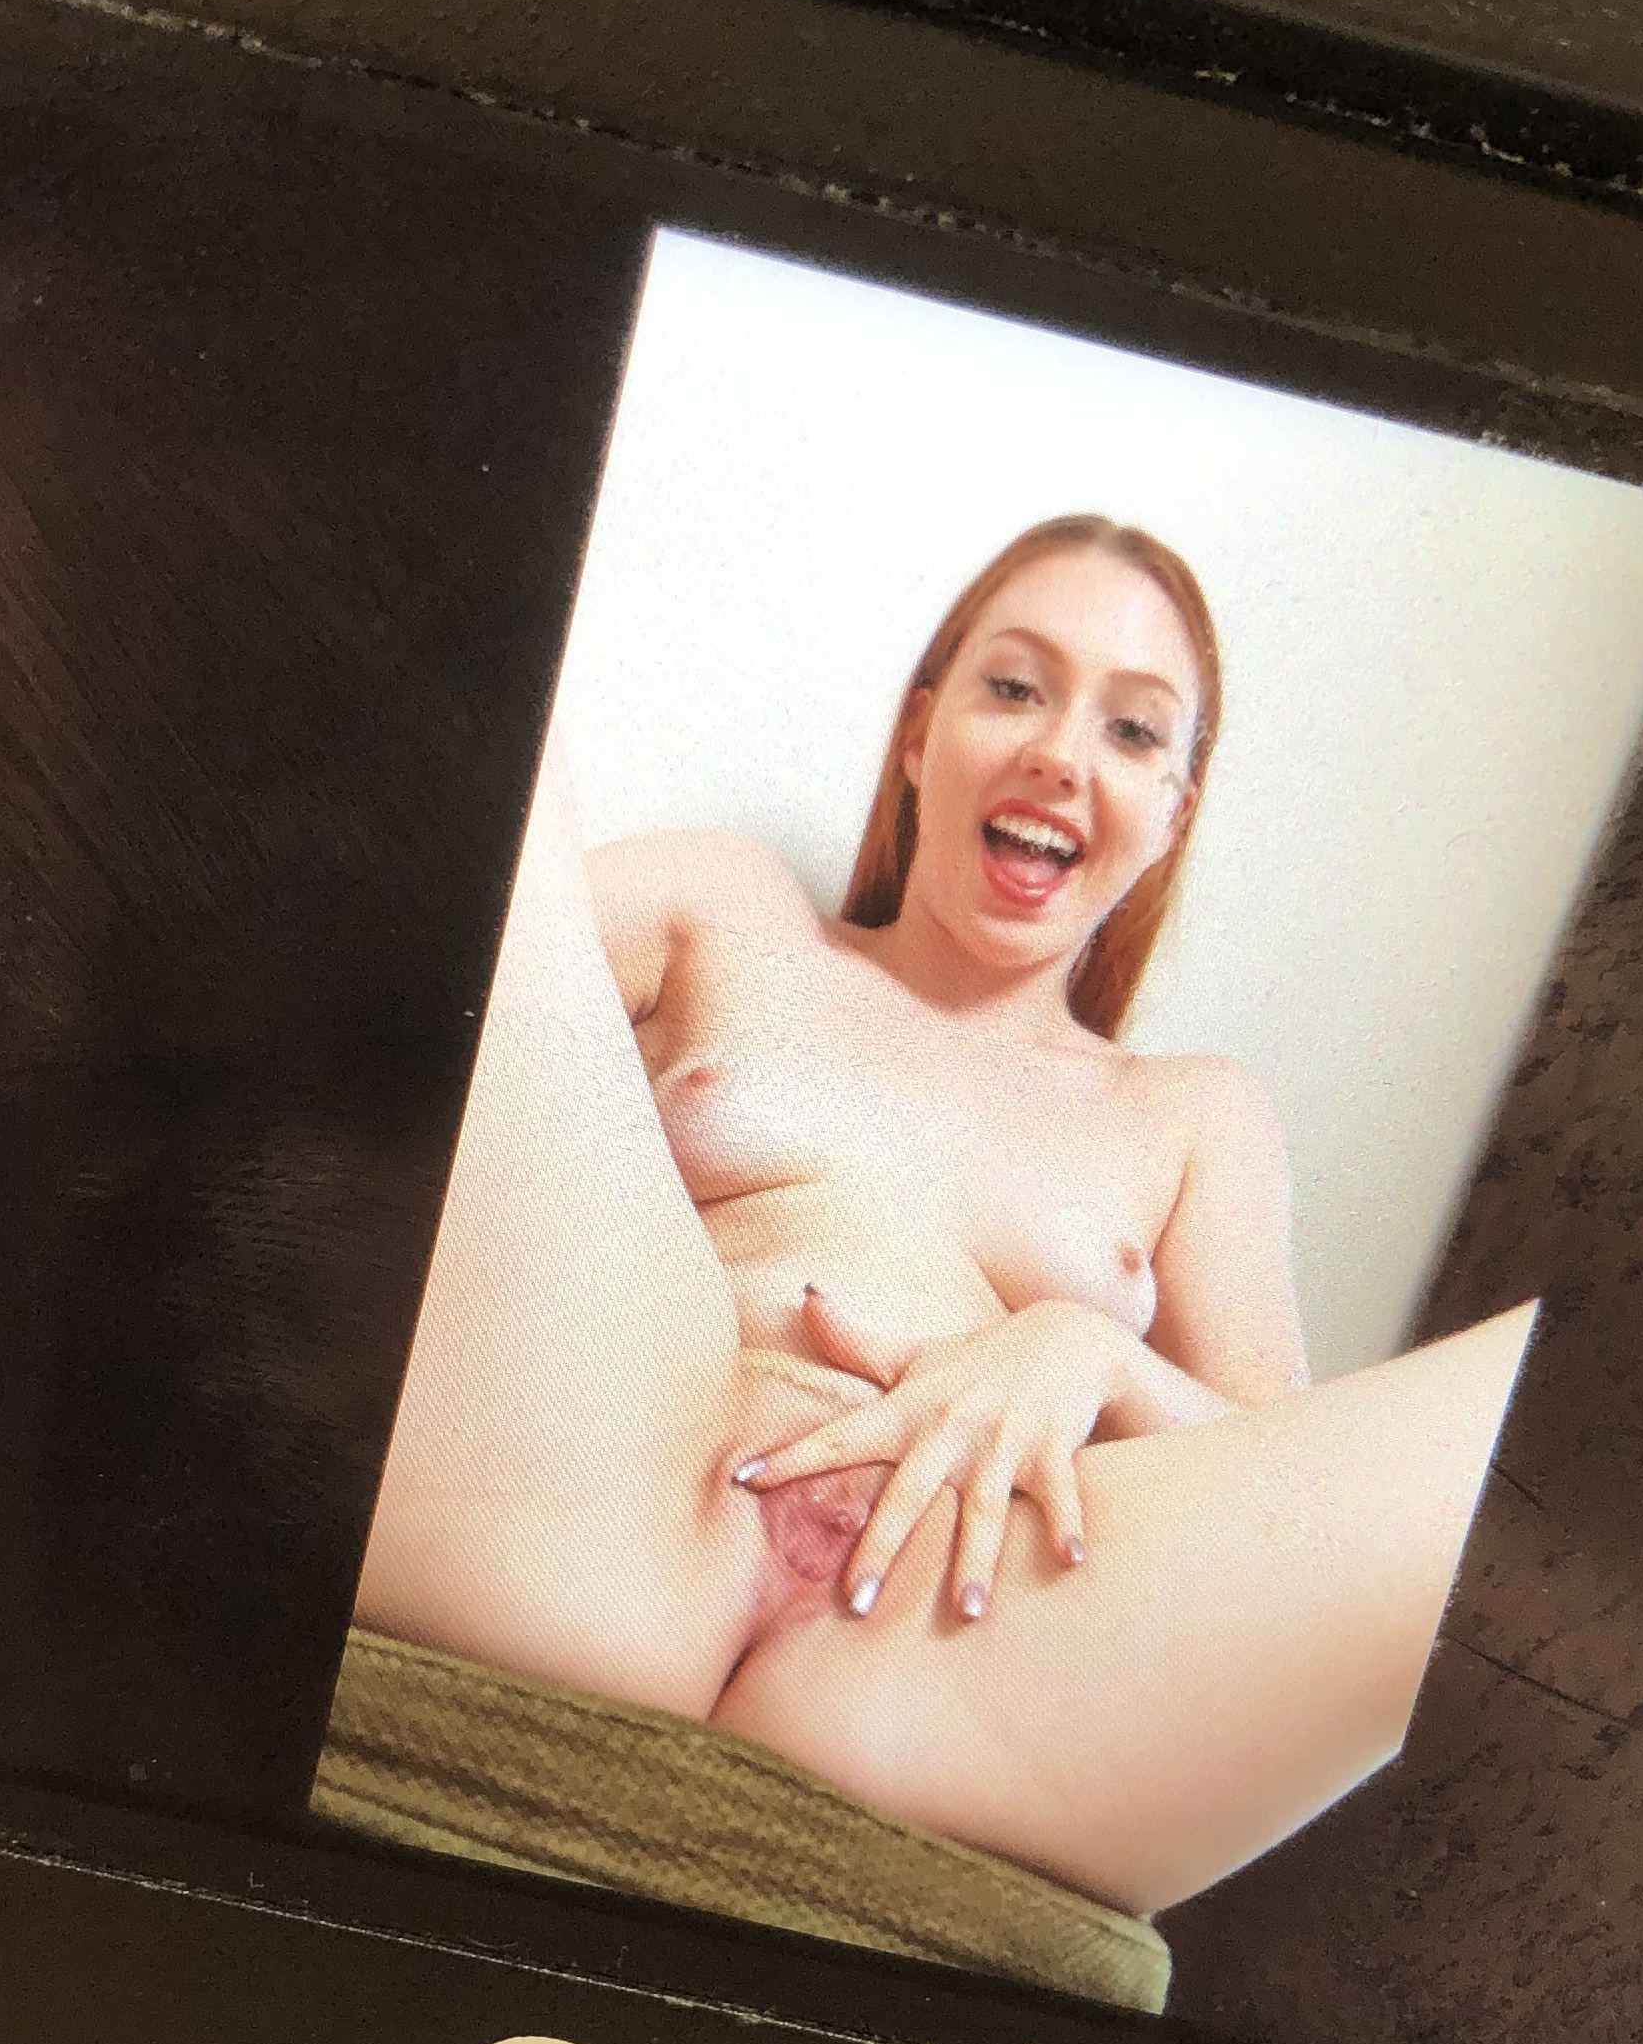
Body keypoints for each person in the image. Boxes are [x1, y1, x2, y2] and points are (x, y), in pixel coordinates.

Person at [349, 517, 1534, 1920]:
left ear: (1174, 813)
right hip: (607, 1502)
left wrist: (1087, 1353)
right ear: (921, 734)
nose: (1061, 755)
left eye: (1134, 731)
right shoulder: (728, 911)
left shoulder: (1196, 1116)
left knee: (1519, 1440)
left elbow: (1282, 1487)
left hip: (945, 1637)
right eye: (1015, 687)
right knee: (479, 742)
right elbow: (393, 1014)